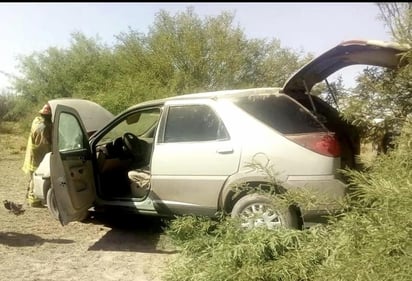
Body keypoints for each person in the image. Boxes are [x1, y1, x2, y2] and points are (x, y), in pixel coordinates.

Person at [22, 103, 53, 207]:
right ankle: (34, 200)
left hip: (32, 153)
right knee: (36, 176)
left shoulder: (36, 120)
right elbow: (44, 145)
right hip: (38, 155)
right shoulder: (43, 127)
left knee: (33, 176)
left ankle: (32, 197)